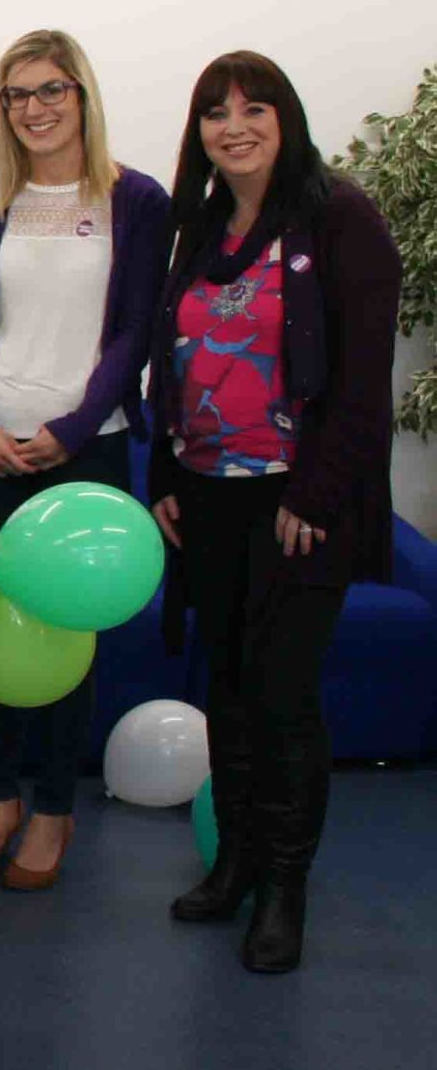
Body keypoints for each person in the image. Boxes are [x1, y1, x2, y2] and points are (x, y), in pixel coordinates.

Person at [153, 51, 398, 973]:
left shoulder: (341, 218)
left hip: (300, 506)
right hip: (207, 497)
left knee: (284, 696)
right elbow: (168, 360)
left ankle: (285, 890)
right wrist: (164, 475)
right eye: (215, 112)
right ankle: (236, 865)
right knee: (226, 688)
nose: (234, 126)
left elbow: (364, 385)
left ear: (285, 117)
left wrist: (316, 495)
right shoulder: (202, 224)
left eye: (254, 108)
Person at [0, 31, 171, 889]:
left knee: (68, 638)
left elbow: (134, 332)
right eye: (16, 95)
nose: (34, 110)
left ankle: (50, 809)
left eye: (51, 91)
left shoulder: (136, 200)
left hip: (86, 452)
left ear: (83, 96)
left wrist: (72, 431)